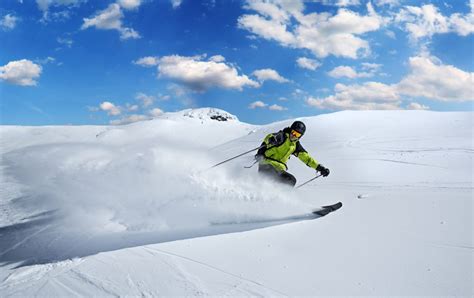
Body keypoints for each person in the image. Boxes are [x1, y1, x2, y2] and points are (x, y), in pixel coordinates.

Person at [255, 121, 330, 187]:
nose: (294, 135)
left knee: (291, 180)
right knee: (271, 176)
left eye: (297, 135)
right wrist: (270, 141)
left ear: (300, 136)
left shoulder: (295, 145)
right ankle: (262, 193)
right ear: (290, 130)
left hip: (280, 169)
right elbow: (267, 140)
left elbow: (306, 158)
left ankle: (278, 199)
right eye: (293, 132)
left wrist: (320, 168)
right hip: (267, 164)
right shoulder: (281, 136)